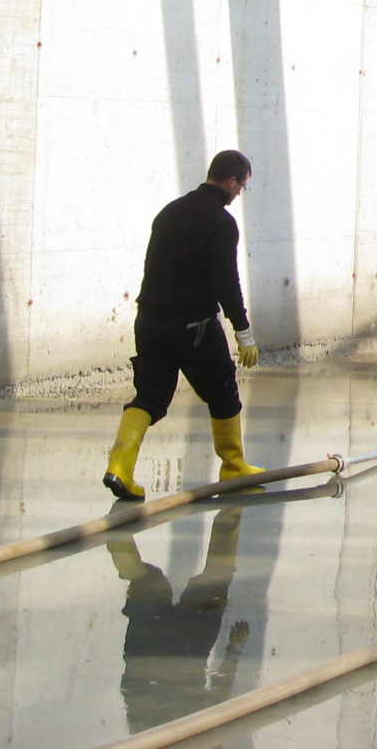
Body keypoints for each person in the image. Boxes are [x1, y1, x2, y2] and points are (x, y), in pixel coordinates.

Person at [102, 150, 264, 500]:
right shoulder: (221, 222)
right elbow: (226, 283)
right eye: (242, 187)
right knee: (223, 393)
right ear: (232, 181)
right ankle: (233, 466)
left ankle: (119, 467)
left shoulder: (170, 212)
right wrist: (243, 332)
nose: (239, 194)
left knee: (150, 396)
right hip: (194, 326)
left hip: (149, 320)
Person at [109, 507, 252, 733]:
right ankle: (120, 545)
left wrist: (235, 649)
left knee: (217, 576)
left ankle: (232, 508)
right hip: (147, 649)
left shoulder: (195, 736)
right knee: (147, 581)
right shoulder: (143, 730)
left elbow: (220, 696)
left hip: (189, 646)